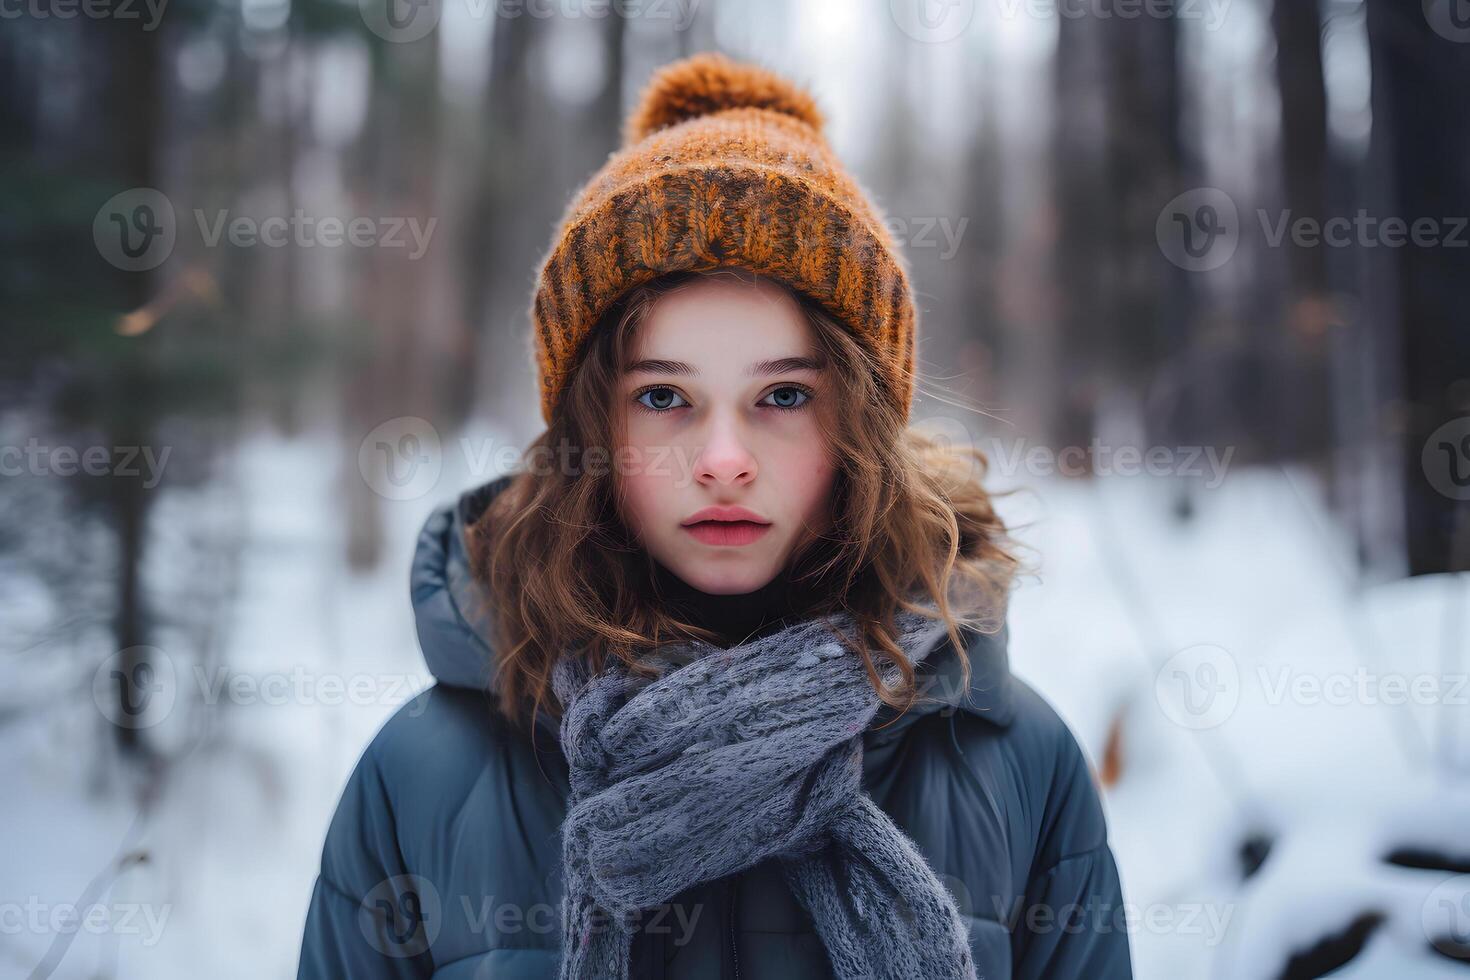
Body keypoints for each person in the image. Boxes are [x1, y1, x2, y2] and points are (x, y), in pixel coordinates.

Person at [296, 51, 1133, 980]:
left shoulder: (1015, 763)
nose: (724, 461)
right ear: (590, 424)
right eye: (663, 398)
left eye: (782, 398)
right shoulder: (426, 776)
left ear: (860, 420)